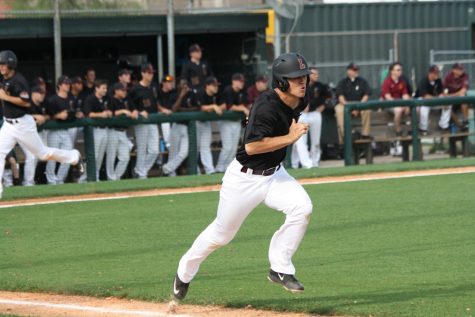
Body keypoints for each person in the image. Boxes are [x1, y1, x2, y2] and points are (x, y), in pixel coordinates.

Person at [172, 52, 313, 301]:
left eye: (304, 76)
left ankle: (279, 268)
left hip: (275, 175)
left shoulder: (300, 99)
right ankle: (184, 272)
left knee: (302, 208)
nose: (302, 81)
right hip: (244, 179)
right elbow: (252, 147)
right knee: (221, 235)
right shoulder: (265, 105)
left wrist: (286, 135)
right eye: (295, 78)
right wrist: (289, 138)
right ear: (281, 81)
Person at [0, 50, 83, 197]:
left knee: (43, 154)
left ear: (11, 64)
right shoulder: (4, 79)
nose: (1, 66)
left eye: (3, 63)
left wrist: (5, 97)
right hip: (8, 125)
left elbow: (26, 102)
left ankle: (73, 157)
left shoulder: (19, 80)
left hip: (22, 125)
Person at [292, 67, 331, 168]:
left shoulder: (320, 86)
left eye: (317, 74)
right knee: (300, 140)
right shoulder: (300, 85)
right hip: (302, 114)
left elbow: (329, 97)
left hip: (315, 113)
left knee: (316, 141)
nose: (316, 76)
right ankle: (305, 164)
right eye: (313, 74)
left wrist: (322, 107)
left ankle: (314, 162)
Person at [161, 80, 200, 176]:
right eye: (183, 84)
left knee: (184, 152)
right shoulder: (174, 95)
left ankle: (167, 168)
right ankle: (171, 174)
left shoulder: (192, 95)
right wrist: (181, 96)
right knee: (173, 153)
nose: (185, 86)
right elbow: (174, 110)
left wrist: (183, 110)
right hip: (176, 126)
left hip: (188, 128)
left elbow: (198, 108)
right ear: (178, 85)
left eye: (186, 84)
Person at [128, 63, 160, 179]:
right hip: (141, 123)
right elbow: (128, 102)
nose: (150, 75)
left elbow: (157, 102)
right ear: (143, 73)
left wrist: (163, 109)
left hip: (152, 121)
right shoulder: (135, 88)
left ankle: (139, 170)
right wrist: (136, 110)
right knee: (142, 149)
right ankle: (141, 174)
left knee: (154, 151)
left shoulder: (154, 87)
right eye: (148, 72)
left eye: (152, 73)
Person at [45, 75, 78, 185]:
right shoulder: (53, 99)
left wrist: (77, 114)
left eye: (69, 83)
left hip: (65, 130)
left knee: (68, 156)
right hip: (54, 131)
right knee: (52, 157)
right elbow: (47, 116)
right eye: (65, 83)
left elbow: (76, 112)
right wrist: (57, 115)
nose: (68, 85)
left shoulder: (71, 99)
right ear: (59, 85)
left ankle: (60, 180)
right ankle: (51, 181)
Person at [216, 73, 249, 173]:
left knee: (234, 148)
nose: (242, 83)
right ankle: (219, 168)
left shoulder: (242, 92)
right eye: (240, 81)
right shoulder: (228, 90)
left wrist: (243, 108)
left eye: (242, 81)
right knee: (227, 147)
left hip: (236, 122)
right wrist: (243, 108)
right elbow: (229, 106)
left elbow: (245, 104)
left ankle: (228, 168)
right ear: (234, 81)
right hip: (226, 121)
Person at [335, 63, 372, 147]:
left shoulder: (362, 81)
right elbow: (341, 98)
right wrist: (350, 108)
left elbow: (366, 95)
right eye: (354, 70)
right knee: (339, 110)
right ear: (348, 71)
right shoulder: (342, 82)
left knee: (367, 109)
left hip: (359, 104)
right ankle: (346, 136)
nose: (356, 71)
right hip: (345, 104)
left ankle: (365, 134)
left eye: (357, 70)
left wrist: (358, 107)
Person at [106, 82, 136, 181]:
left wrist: (134, 111)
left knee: (125, 157)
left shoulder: (125, 101)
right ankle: (111, 178)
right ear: (116, 91)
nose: (124, 92)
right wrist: (123, 111)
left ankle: (116, 178)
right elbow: (111, 113)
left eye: (125, 90)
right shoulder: (110, 99)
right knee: (111, 157)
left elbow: (134, 109)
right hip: (112, 131)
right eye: (122, 90)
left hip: (123, 132)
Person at [83, 79, 112, 181]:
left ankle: (96, 177)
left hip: (104, 130)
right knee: (93, 157)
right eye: (103, 88)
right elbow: (88, 114)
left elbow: (109, 110)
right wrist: (102, 115)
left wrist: (108, 112)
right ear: (96, 88)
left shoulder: (105, 99)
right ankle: (85, 177)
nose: (105, 90)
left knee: (100, 157)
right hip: (94, 131)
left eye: (106, 88)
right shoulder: (90, 99)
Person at [381, 62, 411, 156]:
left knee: (415, 109)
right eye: (398, 70)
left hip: (400, 105)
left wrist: (406, 105)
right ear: (392, 71)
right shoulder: (387, 81)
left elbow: (405, 95)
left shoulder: (402, 81)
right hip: (389, 105)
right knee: (398, 110)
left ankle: (411, 131)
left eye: (400, 70)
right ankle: (398, 131)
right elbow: (388, 97)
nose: (400, 72)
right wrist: (401, 105)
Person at [21, 86, 48, 186]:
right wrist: (35, 117)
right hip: (21, 133)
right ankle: (28, 183)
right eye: (40, 93)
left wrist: (43, 117)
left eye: (44, 93)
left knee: (35, 156)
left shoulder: (40, 106)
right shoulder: (27, 103)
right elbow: (20, 116)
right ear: (34, 93)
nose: (43, 95)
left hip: (33, 134)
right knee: (31, 156)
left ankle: (29, 181)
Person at [195, 76, 223, 174]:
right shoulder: (200, 93)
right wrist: (214, 106)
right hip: (195, 123)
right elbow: (201, 107)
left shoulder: (216, 94)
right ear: (207, 86)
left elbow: (224, 105)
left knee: (205, 147)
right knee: (195, 148)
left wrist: (216, 107)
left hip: (206, 123)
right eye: (214, 85)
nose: (216, 87)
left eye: (217, 85)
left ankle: (210, 170)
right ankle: (195, 170)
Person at [416, 65, 445, 135]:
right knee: (423, 109)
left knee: (448, 105)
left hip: (434, 101)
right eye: (435, 73)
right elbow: (425, 96)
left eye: (437, 72)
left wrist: (442, 99)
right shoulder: (423, 80)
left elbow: (441, 93)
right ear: (430, 73)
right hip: (423, 101)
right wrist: (438, 99)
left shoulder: (438, 80)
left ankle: (443, 125)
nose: (437, 74)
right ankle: (423, 129)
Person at [442, 63, 470, 132]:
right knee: (447, 107)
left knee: (463, 97)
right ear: (453, 70)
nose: (461, 71)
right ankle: (460, 125)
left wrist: (452, 95)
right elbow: (444, 91)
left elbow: (463, 91)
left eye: (461, 69)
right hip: (451, 99)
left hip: (459, 98)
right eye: (458, 69)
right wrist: (448, 95)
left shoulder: (464, 76)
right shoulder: (448, 77)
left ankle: (465, 121)